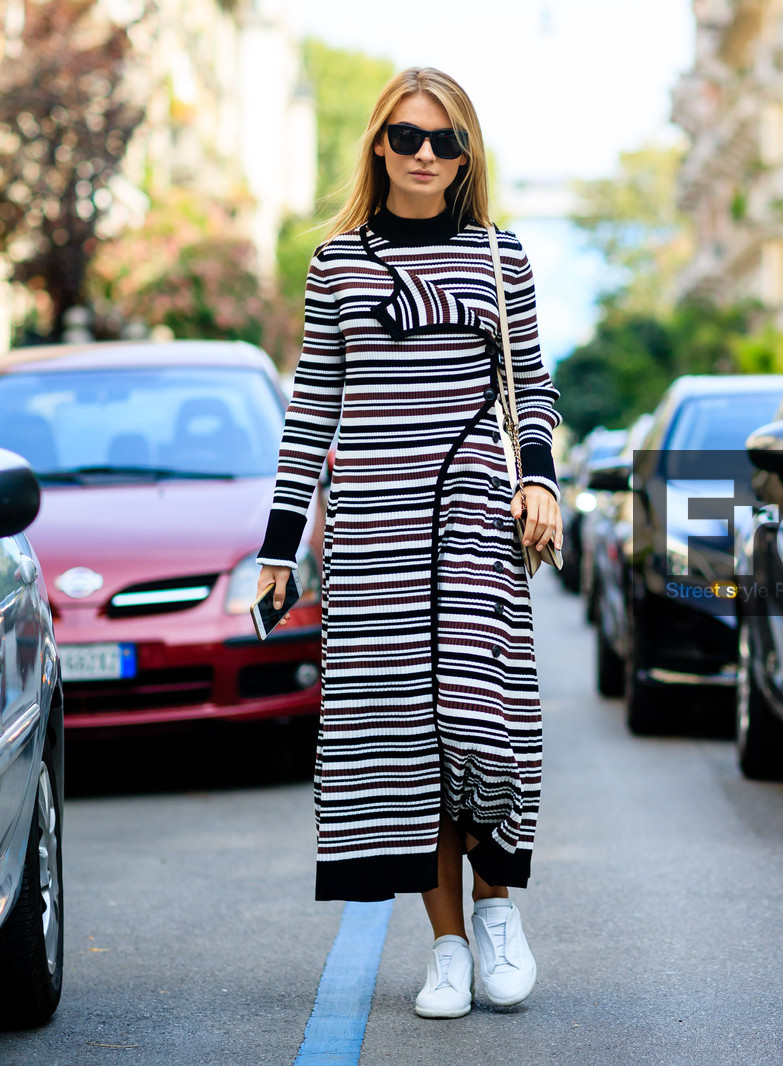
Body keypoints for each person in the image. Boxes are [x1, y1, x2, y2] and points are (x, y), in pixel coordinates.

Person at [255, 66, 562, 1019]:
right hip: (373, 529)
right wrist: (279, 548)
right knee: (404, 740)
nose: (425, 154)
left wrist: (539, 478)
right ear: (379, 145)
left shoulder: (500, 255)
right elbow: (312, 412)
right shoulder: (338, 263)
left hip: (473, 515)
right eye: (407, 137)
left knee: (479, 720)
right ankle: (449, 947)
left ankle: (498, 909)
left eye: (445, 140)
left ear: (467, 155)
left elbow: (532, 386)